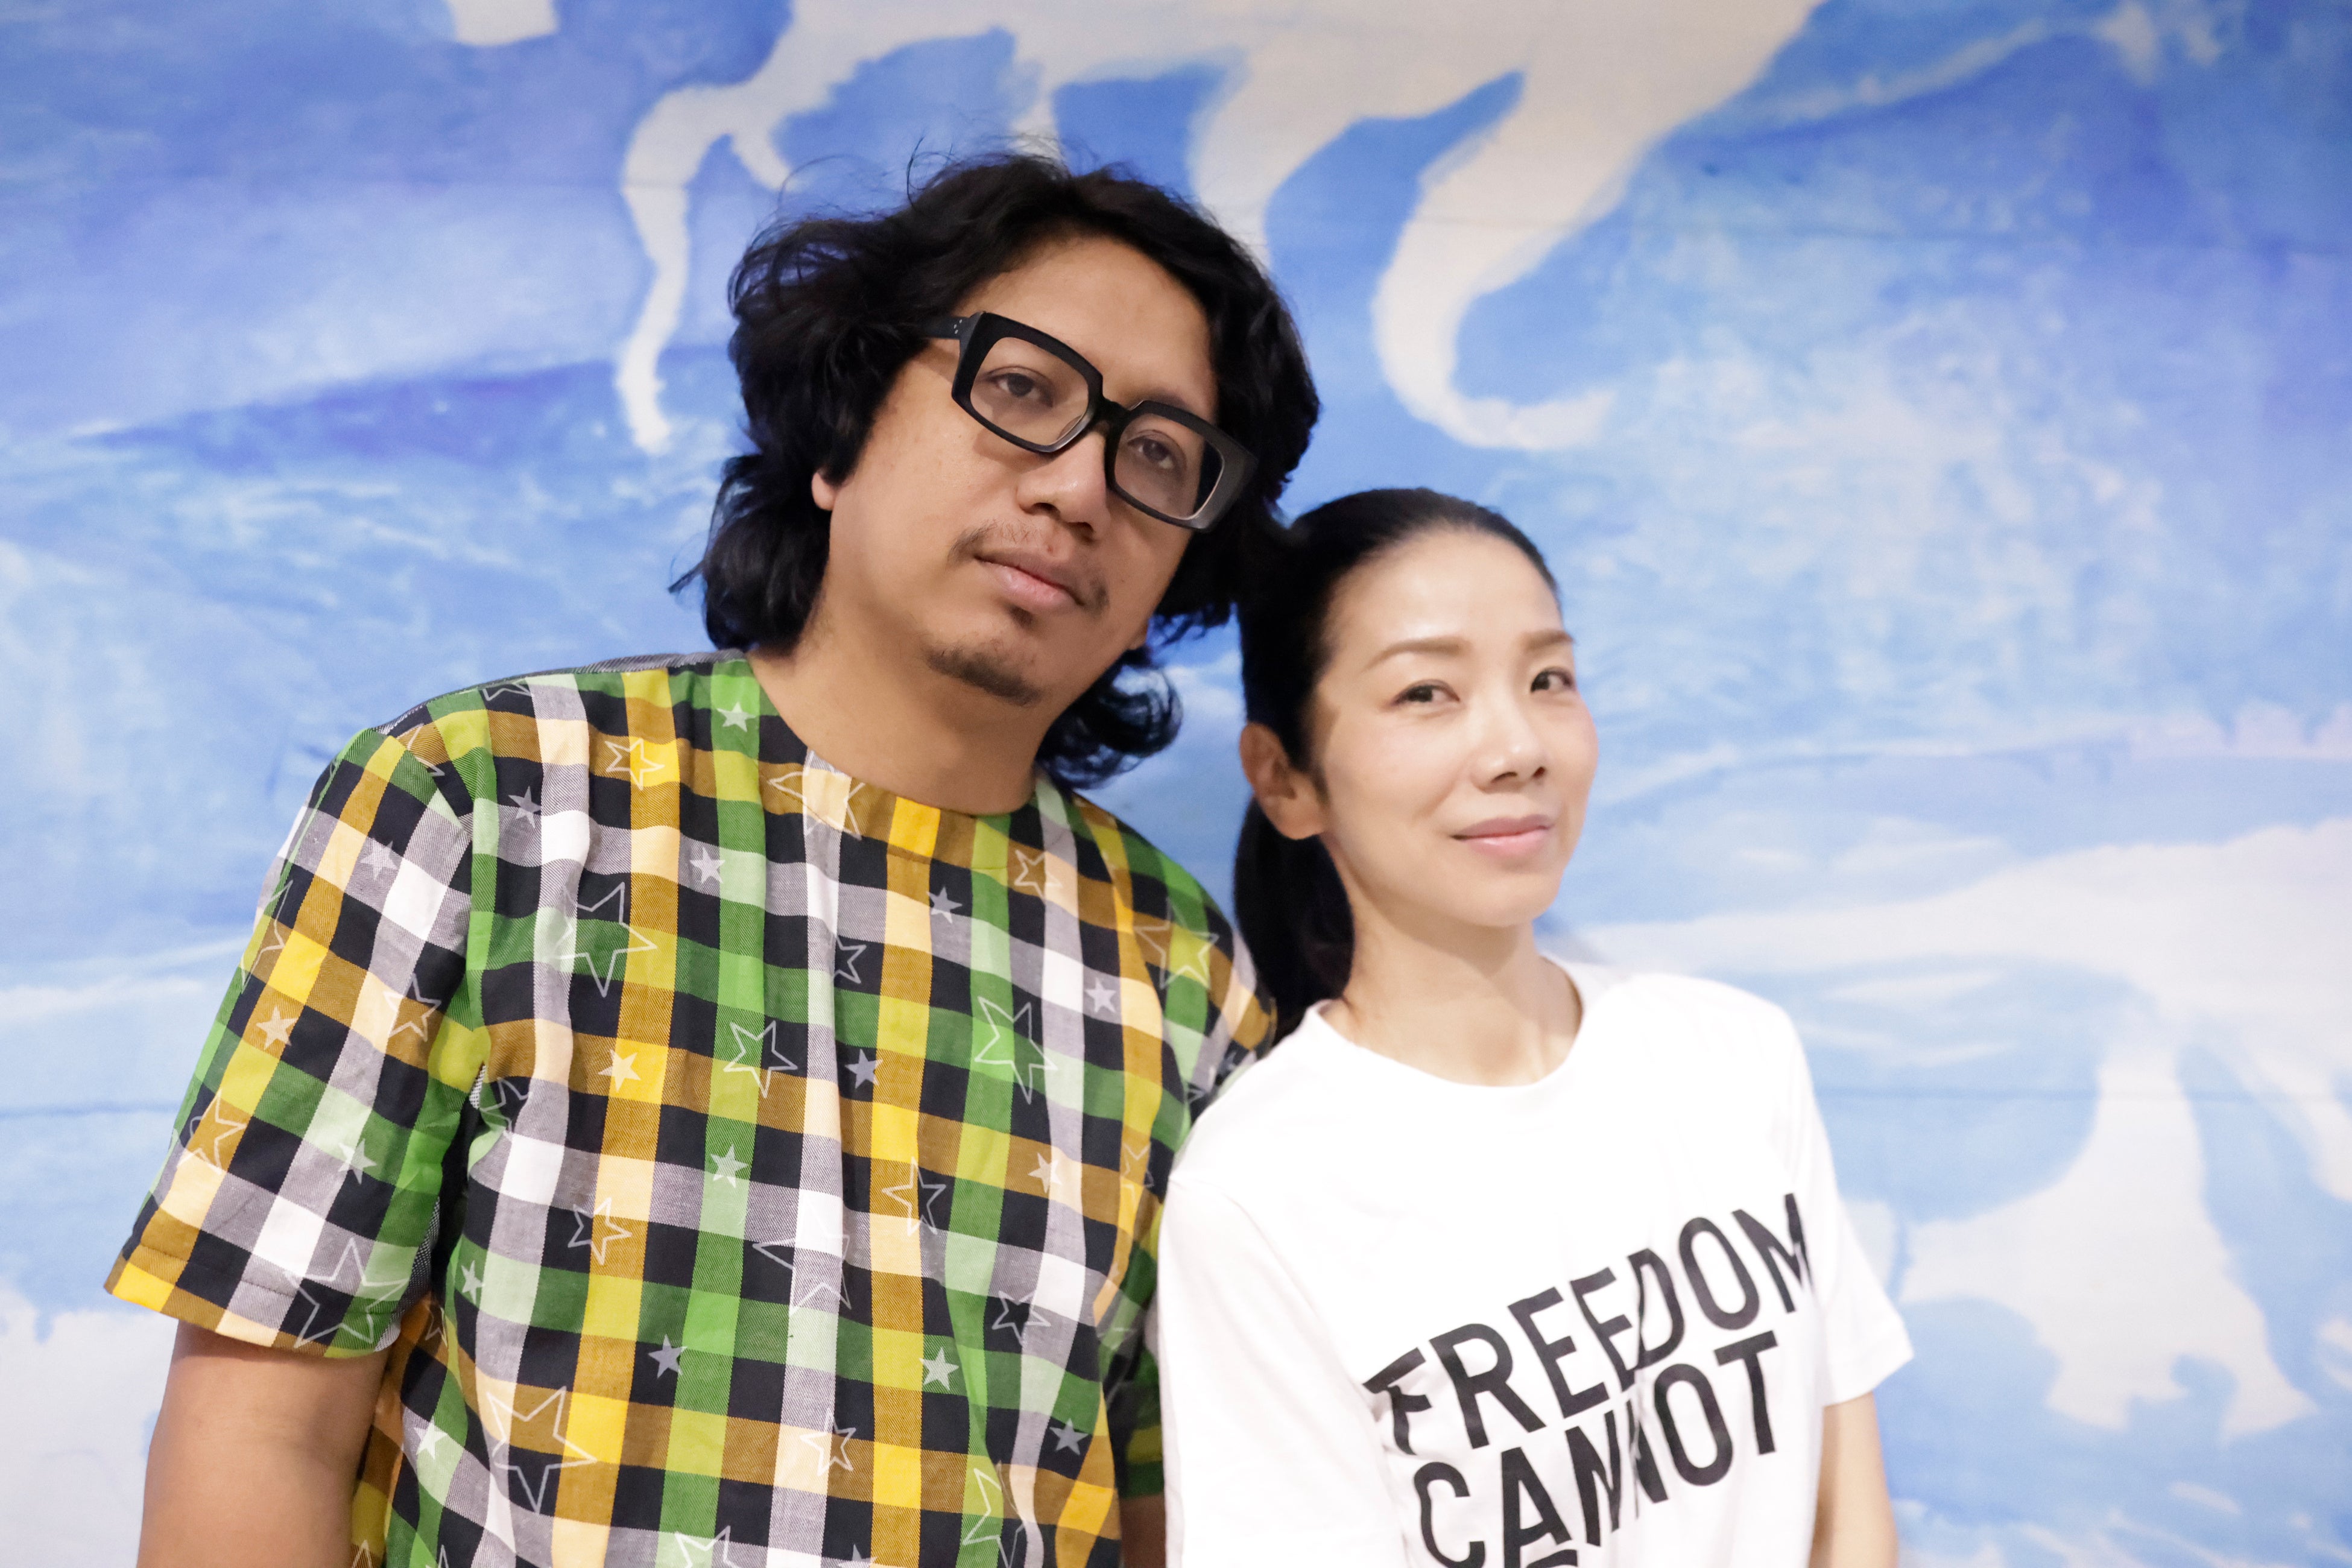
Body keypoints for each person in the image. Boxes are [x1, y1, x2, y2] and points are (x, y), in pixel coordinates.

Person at [110, 153, 1318, 1568]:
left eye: (1160, 455)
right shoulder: (479, 802)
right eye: (1022, 388)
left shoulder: (1188, 978)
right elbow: (261, 1429)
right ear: (841, 432)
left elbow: (1170, 1506)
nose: (1078, 487)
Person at [1152, 489, 1911, 1567]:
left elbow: (1850, 1515)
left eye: (1549, 679)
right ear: (1285, 779)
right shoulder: (1257, 1190)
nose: (1517, 746)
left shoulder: (1734, 1056)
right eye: (1427, 692)